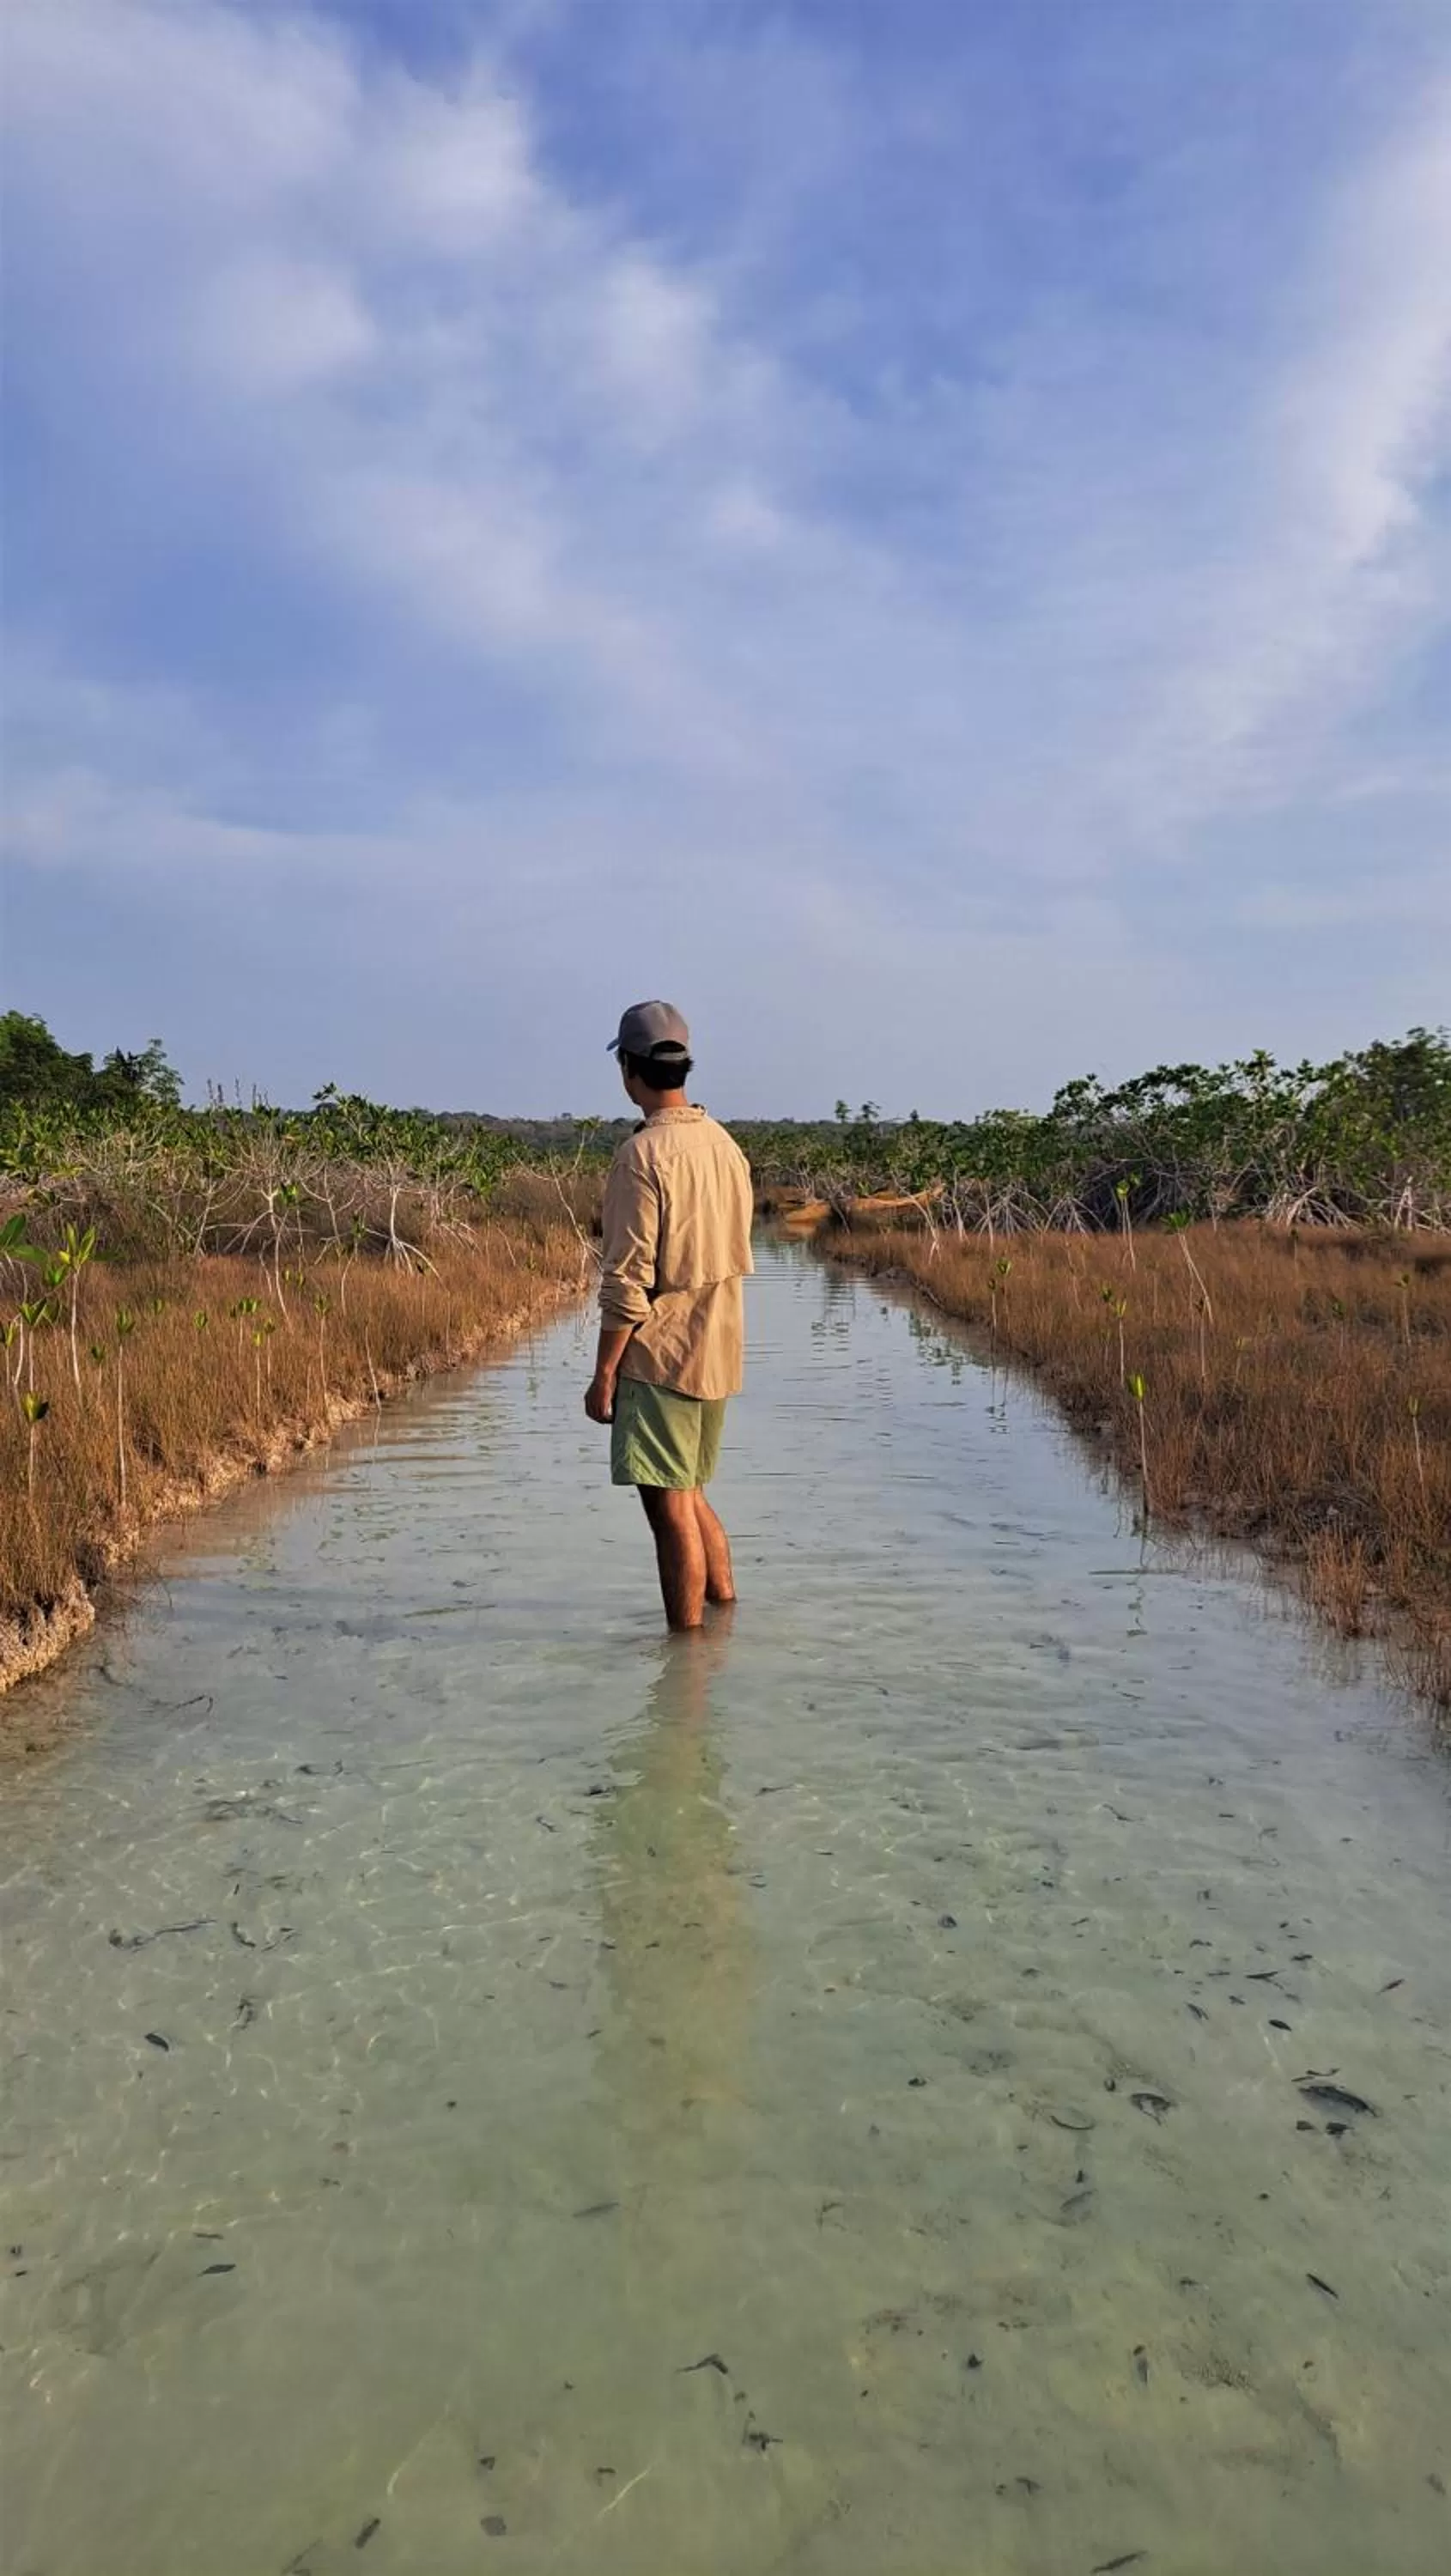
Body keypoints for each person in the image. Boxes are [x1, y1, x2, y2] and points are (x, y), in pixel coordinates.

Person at [585, 1001, 754, 1631]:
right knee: (691, 1492)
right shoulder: (724, 1145)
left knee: (669, 1510)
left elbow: (627, 1281)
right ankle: (725, 1618)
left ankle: (687, 1658)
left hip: (662, 1356)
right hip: (718, 1350)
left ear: (629, 1069)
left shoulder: (642, 1156)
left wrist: (604, 1374)